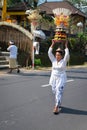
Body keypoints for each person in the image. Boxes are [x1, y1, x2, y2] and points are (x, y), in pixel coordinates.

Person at [48, 39, 70, 114]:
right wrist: (52, 44)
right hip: (53, 78)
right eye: (56, 55)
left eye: (59, 55)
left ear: (61, 56)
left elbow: (67, 55)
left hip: (61, 78)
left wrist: (66, 46)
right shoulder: (53, 60)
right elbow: (49, 53)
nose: (57, 56)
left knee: (58, 91)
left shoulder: (64, 61)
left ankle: (56, 107)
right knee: (54, 90)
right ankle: (59, 102)